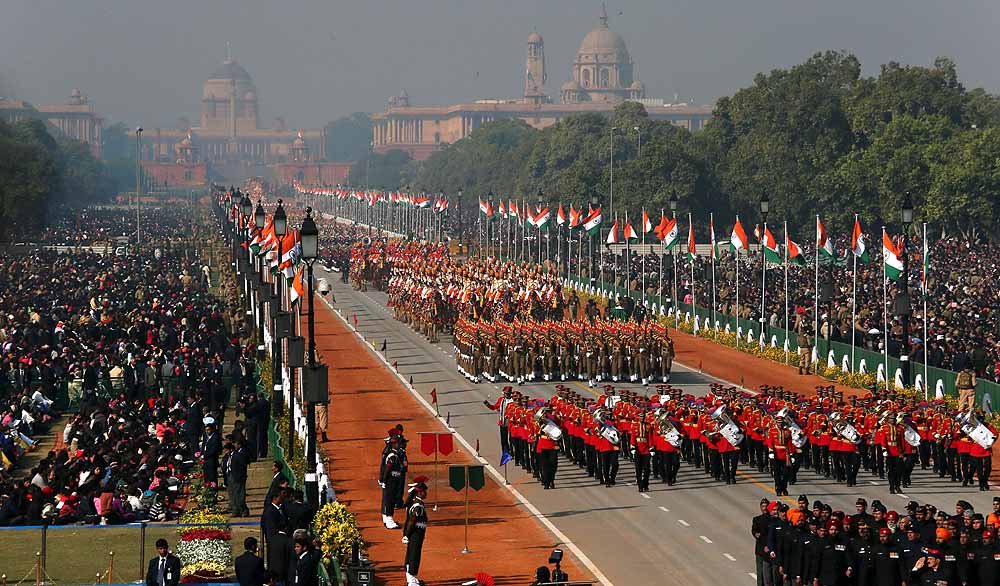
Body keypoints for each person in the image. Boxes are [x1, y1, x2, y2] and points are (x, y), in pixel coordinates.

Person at [402, 479, 429, 586]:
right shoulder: (418, 506)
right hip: (415, 533)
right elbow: (411, 522)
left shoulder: (417, 503)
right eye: (424, 491)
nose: (425, 493)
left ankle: (412, 578)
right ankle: (412, 581)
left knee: (412, 554)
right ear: (419, 492)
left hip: (416, 533)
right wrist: (407, 535)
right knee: (414, 555)